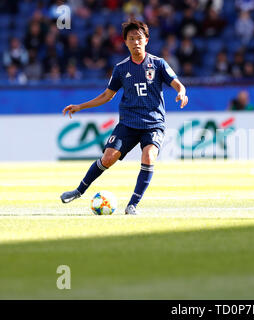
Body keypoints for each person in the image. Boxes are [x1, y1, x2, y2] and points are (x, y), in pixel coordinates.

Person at [60, 19, 189, 215]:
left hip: (153, 123)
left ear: (146, 40)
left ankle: (132, 205)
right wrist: (80, 106)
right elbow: (107, 95)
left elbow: (178, 83)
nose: (136, 42)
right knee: (108, 158)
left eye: (139, 38)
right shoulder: (121, 69)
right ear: (125, 42)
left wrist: (181, 92)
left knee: (149, 155)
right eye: (131, 39)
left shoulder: (158, 64)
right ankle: (79, 190)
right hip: (128, 123)